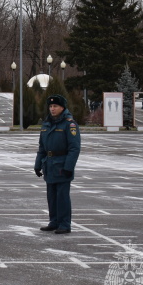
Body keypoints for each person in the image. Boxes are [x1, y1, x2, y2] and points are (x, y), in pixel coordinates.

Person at [34, 95, 81, 235]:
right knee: (51, 196)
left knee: (62, 196)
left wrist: (68, 167)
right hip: (49, 165)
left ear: (62, 107)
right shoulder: (46, 124)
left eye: (55, 106)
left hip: (62, 165)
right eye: (50, 106)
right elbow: (42, 147)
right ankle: (53, 221)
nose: (52, 109)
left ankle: (64, 224)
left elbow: (74, 148)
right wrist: (37, 164)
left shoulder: (69, 124)